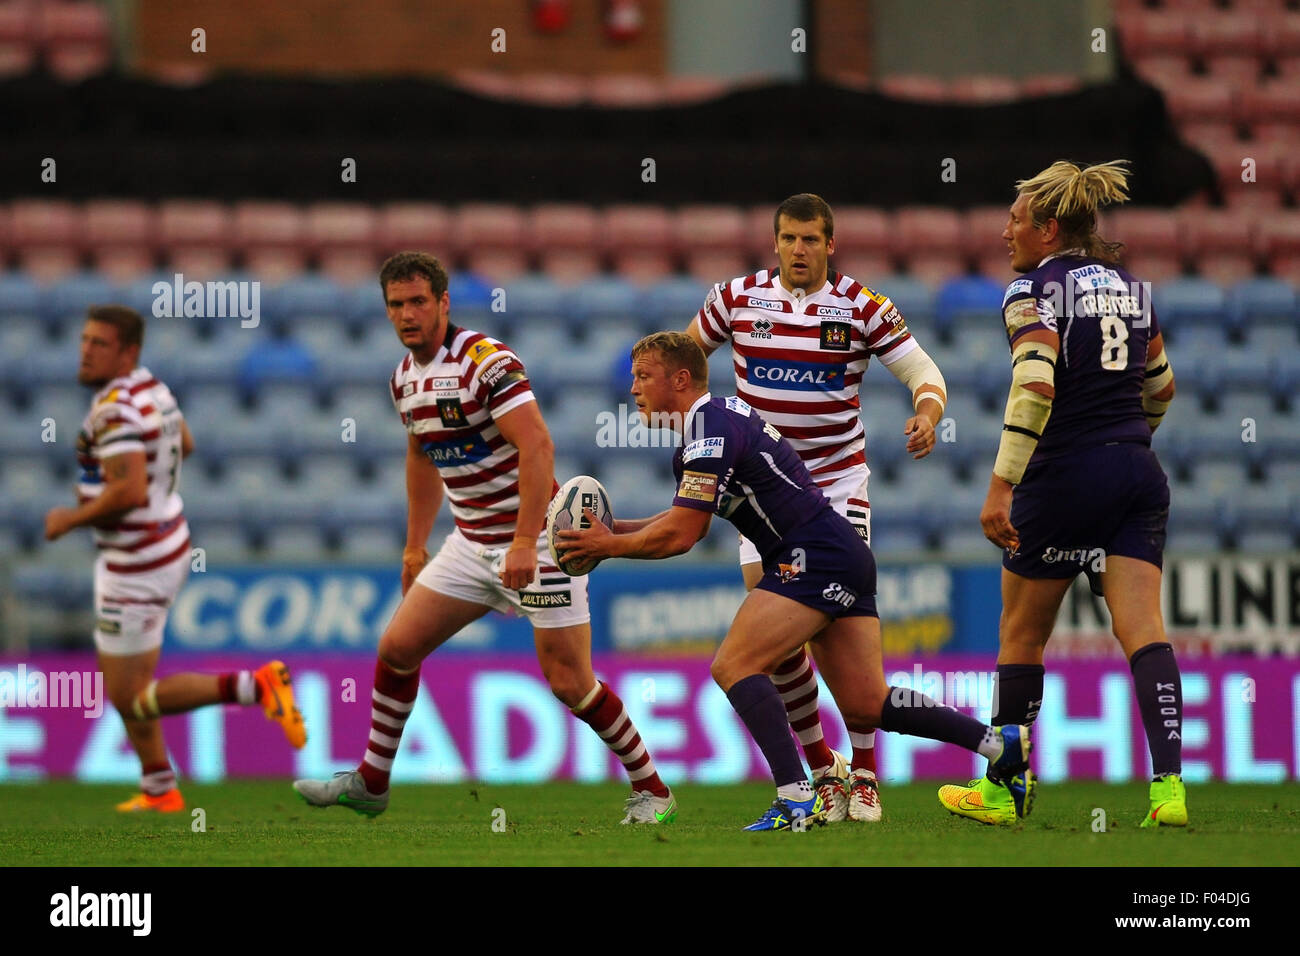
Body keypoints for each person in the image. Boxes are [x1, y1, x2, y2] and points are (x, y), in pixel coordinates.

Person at [558, 332, 1031, 831]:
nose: (632, 389)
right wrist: (616, 531)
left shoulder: (709, 428)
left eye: (642, 376)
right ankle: (1000, 745)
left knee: (736, 665)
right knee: (867, 701)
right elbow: (680, 515)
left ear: (679, 379)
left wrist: (606, 548)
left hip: (811, 557)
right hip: (840, 552)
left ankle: (795, 797)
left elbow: (682, 535)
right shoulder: (713, 425)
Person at [293, 252, 676, 823]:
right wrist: (414, 544)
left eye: (419, 301)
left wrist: (525, 542)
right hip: (470, 546)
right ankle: (372, 783)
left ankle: (654, 790)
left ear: (444, 303)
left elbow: (537, 446)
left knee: (570, 682)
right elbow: (422, 453)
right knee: (397, 649)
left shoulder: (486, 363)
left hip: (543, 542)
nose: (407, 314)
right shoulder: (404, 379)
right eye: (396, 304)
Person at [685, 193, 948, 822]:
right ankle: (824, 767)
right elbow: (685, 360)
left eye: (810, 239)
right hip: (763, 491)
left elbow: (924, 372)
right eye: (788, 238)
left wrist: (928, 413)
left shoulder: (861, 307)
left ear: (831, 244)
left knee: (837, 626)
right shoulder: (736, 299)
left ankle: (864, 773)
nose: (798, 249)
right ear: (774, 243)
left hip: (835, 487)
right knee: (774, 643)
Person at [937, 160, 1185, 827]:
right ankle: (1168, 793)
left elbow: (1037, 382)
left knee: (1021, 633)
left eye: (1015, 220)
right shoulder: (1134, 290)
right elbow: (1161, 389)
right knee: (1144, 632)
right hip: (1136, 471)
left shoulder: (1032, 290)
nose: (1004, 233)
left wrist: (1000, 484)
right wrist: (1128, 445)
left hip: (1064, 474)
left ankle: (1002, 792)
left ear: (1048, 229)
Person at [44, 305, 305, 813]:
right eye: (84, 340)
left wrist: (69, 520)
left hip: (136, 562)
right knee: (129, 687)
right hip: (164, 540)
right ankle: (159, 785)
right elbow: (184, 441)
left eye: (98, 343)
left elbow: (129, 492)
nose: (85, 350)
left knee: (133, 697)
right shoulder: (153, 388)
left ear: (128, 352)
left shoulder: (116, 410)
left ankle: (257, 686)